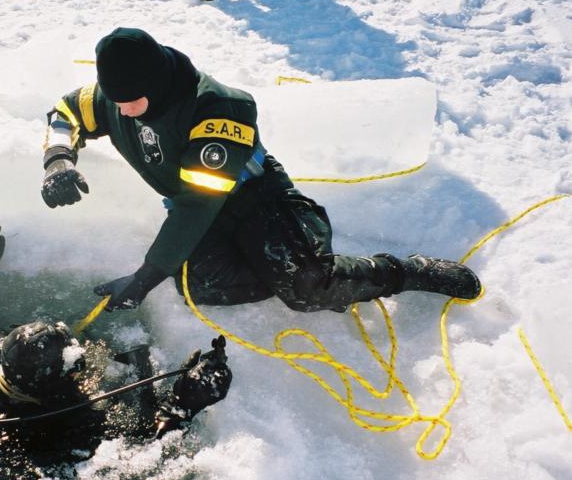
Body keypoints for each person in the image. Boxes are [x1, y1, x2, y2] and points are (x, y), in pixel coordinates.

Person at [39, 27, 481, 315]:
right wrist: (59, 159)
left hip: (254, 198)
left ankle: (404, 271)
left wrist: (145, 276)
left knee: (308, 289)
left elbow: (198, 203)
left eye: (131, 102)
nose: (121, 112)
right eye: (115, 102)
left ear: (155, 84)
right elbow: (64, 111)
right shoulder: (118, 97)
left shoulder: (218, 107)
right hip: (196, 205)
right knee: (199, 285)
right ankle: (281, 264)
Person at [0, 219, 232, 480]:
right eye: (72, 366)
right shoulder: (68, 424)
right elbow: (141, 448)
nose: (80, 357)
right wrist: (185, 404)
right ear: (51, 388)